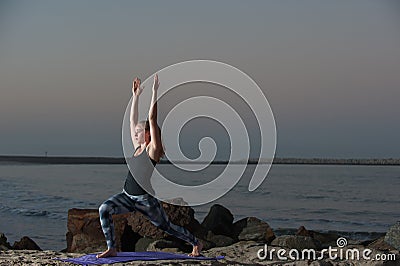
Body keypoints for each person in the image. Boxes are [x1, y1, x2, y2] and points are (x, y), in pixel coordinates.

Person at [97, 74, 203, 258]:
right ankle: (112, 247)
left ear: (148, 135)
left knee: (166, 226)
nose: (135, 133)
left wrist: (154, 93)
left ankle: (196, 243)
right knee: (104, 209)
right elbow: (132, 121)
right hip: (127, 196)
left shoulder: (152, 150)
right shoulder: (137, 147)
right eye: (135, 132)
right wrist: (136, 96)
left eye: (139, 131)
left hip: (145, 200)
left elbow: (152, 119)